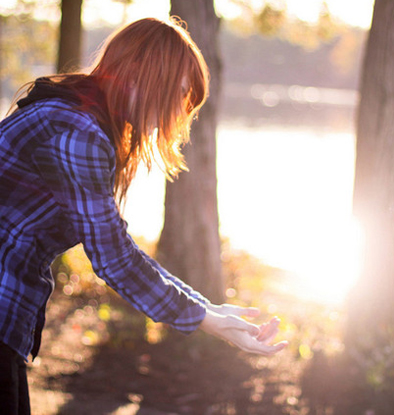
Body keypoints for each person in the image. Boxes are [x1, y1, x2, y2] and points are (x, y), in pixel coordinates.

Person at [0, 17, 287, 414]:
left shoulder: (75, 115)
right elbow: (115, 258)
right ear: (147, 76)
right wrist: (204, 318)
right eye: (179, 93)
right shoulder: (78, 130)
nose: (180, 112)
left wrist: (206, 308)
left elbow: (117, 250)